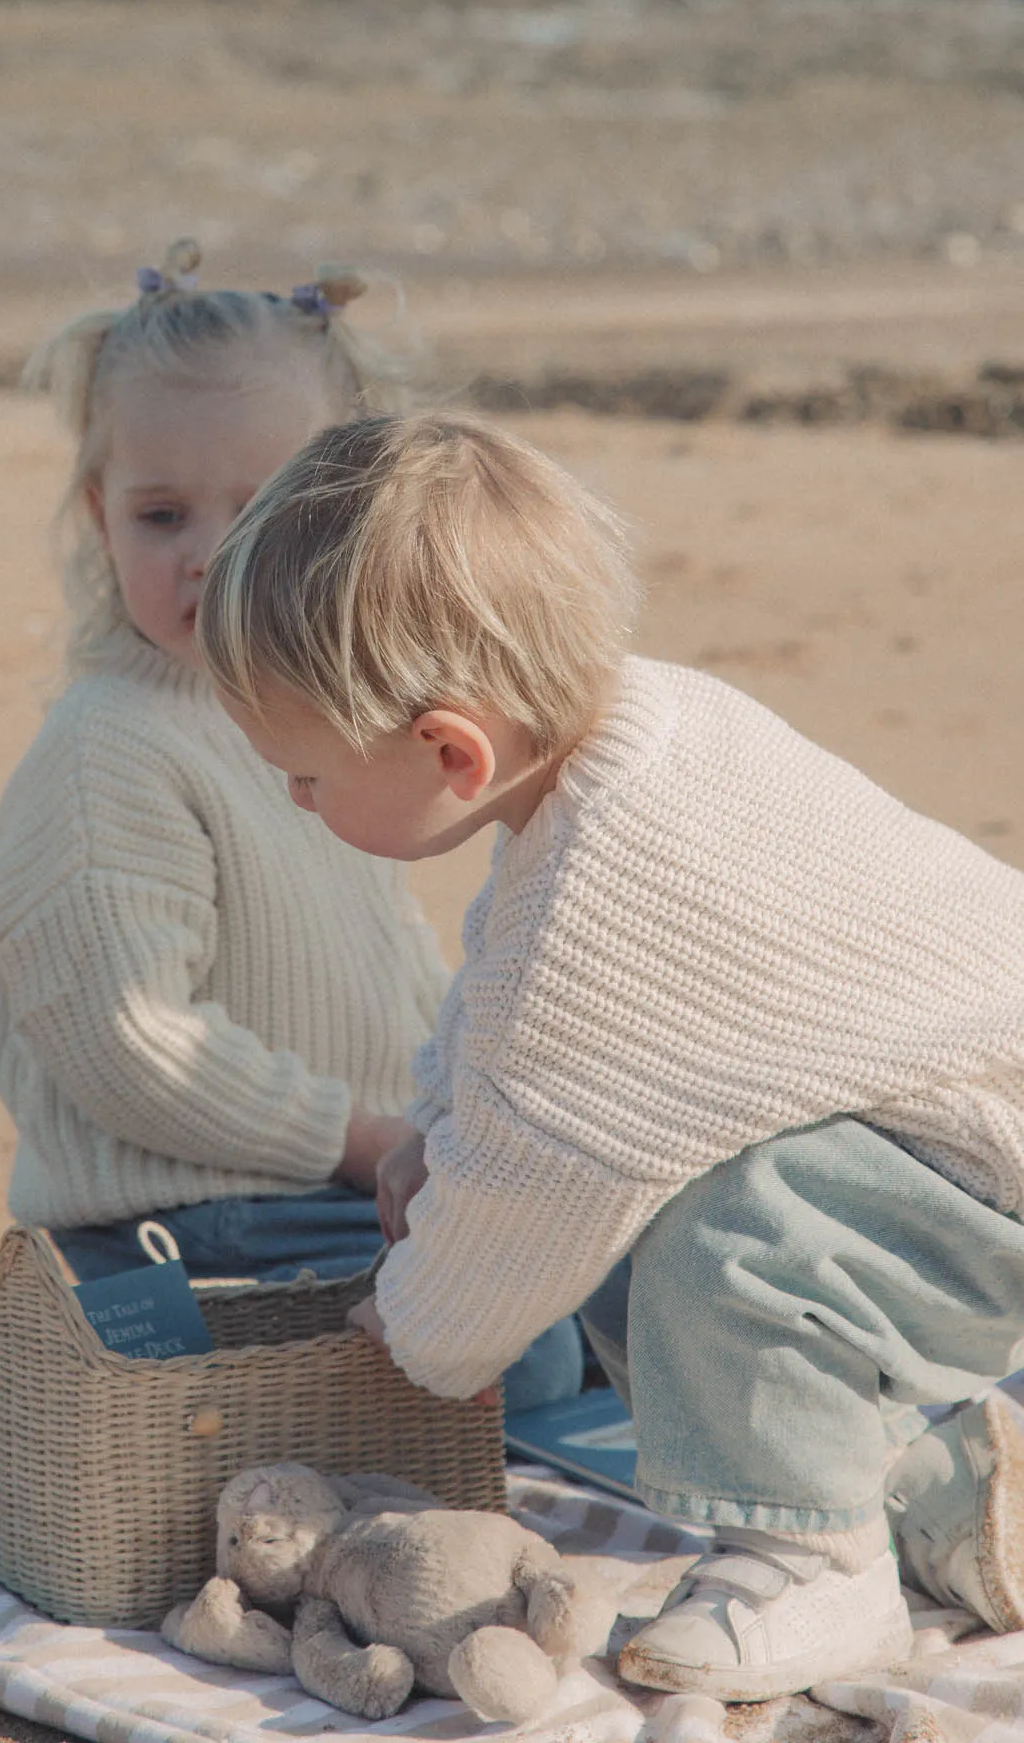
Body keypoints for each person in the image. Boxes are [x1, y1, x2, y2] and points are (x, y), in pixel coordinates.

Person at [196, 409, 1024, 1704]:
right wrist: (431, 1134)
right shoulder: (642, 728)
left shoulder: (595, 901)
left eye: (305, 778)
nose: (296, 806)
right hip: (943, 1125)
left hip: (989, 1149)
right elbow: (496, 1017)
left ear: (449, 751)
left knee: (721, 1239)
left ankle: (812, 1562)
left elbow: (529, 1179)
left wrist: (412, 1329)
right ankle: (932, 1494)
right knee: (663, 1211)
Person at [0, 247, 583, 1410]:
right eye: (162, 514)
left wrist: (449, 1131)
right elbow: (134, 1046)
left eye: (261, 512)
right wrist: (367, 1140)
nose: (209, 553)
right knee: (519, 1353)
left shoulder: (317, 723)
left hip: (343, 1182)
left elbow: (392, 969)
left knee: (604, 1271)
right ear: (101, 515)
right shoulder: (112, 749)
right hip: (177, 1226)